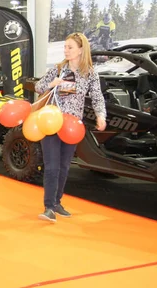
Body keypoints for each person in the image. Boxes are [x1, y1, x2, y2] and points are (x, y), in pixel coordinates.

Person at [34, 32, 107, 223]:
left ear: (81, 50)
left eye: (70, 47)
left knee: (65, 166)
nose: (66, 50)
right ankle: (49, 207)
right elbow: (38, 87)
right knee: (51, 167)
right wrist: (52, 84)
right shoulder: (58, 69)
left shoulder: (90, 73)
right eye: (65, 47)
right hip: (51, 122)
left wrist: (101, 115)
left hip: (73, 126)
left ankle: (57, 202)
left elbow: (98, 96)